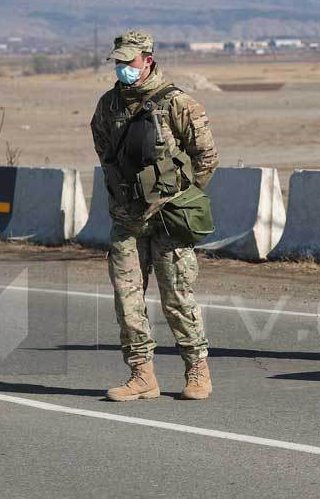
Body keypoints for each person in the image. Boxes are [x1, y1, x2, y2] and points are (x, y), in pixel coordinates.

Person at [90, 29, 219, 401]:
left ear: (147, 60)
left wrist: (180, 198)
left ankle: (197, 370)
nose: (122, 68)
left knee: (177, 296)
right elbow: (104, 152)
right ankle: (141, 374)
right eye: (118, 62)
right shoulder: (108, 105)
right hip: (126, 219)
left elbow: (206, 157)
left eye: (128, 61)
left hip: (167, 219)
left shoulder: (177, 103)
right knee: (127, 300)